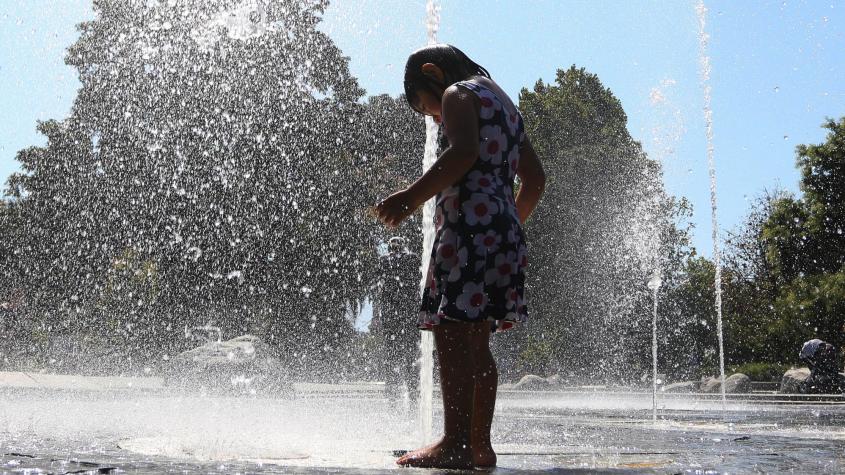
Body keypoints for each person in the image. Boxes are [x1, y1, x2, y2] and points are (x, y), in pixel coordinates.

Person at [373, 44, 546, 470]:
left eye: (426, 107)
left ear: (432, 73)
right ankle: (478, 445)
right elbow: (536, 180)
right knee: (477, 344)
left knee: (451, 334)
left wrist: (410, 198)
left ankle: (454, 443)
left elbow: (464, 151)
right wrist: (505, 225)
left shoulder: (457, 94)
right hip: (503, 233)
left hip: (467, 231)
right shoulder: (503, 102)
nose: (435, 118)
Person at [372, 236, 420, 400]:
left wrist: (375, 316)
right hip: (409, 313)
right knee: (410, 352)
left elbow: (378, 289)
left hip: (392, 313)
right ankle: (412, 389)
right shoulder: (412, 258)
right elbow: (420, 284)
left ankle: (393, 389)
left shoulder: (384, 260)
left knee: (392, 352)